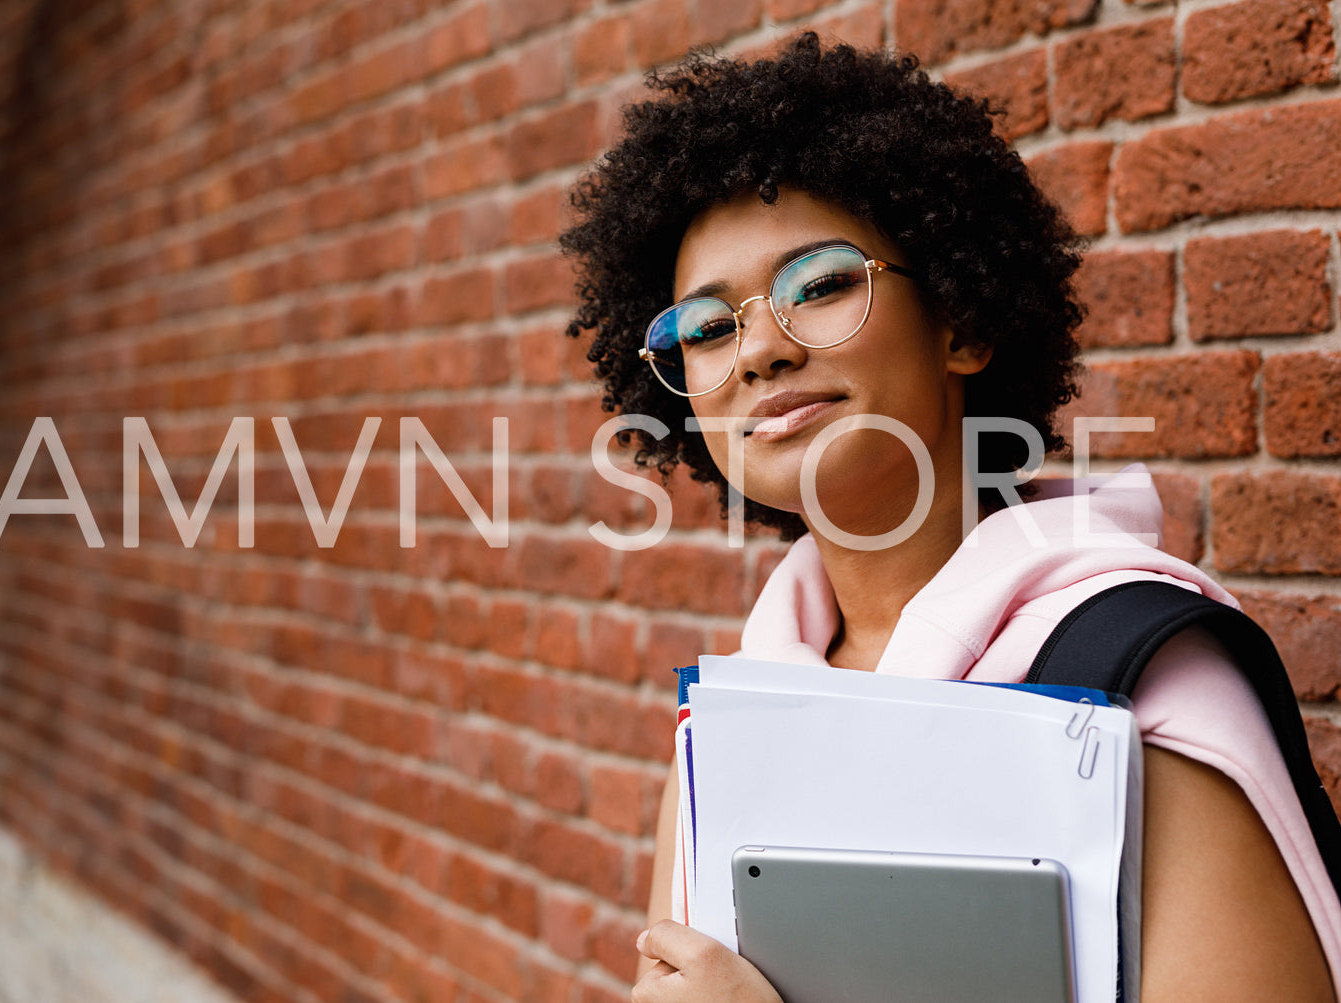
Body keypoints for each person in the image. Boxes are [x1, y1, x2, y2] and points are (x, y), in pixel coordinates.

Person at [559, 33, 1341, 1003]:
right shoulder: (726, 728)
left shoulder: (1133, 678)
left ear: (959, 322)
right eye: (705, 329)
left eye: (821, 283)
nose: (757, 349)